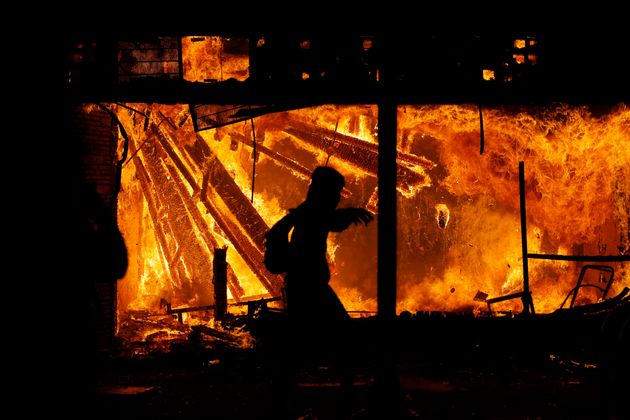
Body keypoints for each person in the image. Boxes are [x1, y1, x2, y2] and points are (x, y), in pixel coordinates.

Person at [268, 166, 373, 417]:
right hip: (308, 287)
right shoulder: (310, 214)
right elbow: (330, 221)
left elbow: (329, 220)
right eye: (335, 192)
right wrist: (351, 213)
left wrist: (348, 214)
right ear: (322, 192)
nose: (337, 197)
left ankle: (281, 396)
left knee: (301, 342)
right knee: (341, 334)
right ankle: (343, 398)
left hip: (305, 286)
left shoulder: (306, 212)